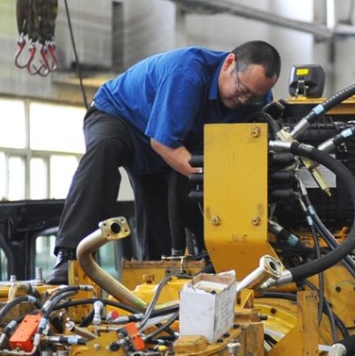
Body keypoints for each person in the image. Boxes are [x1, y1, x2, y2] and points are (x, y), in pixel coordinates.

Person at [47, 41, 281, 284]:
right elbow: (164, 144)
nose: (244, 100)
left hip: (172, 142)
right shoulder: (187, 74)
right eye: (241, 89)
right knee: (106, 149)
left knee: (167, 220)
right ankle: (70, 255)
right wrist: (212, 179)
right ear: (229, 63)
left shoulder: (256, 99)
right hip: (121, 117)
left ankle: (164, 282)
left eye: (254, 96)